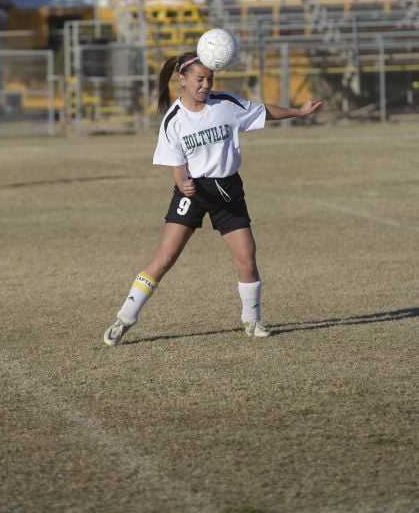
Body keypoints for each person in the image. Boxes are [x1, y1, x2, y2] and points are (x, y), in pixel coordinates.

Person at [103, 51, 322, 345]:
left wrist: (298, 111)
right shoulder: (174, 120)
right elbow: (177, 166)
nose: (205, 85)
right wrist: (183, 184)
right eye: (199, 79)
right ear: (182, 80)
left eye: (210, 78)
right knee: (164, 258)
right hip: (193, 192)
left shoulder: (226, 104)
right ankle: (124, 318)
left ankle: (252, 321)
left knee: (247, 259)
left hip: (228, 190)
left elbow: (261, 111)